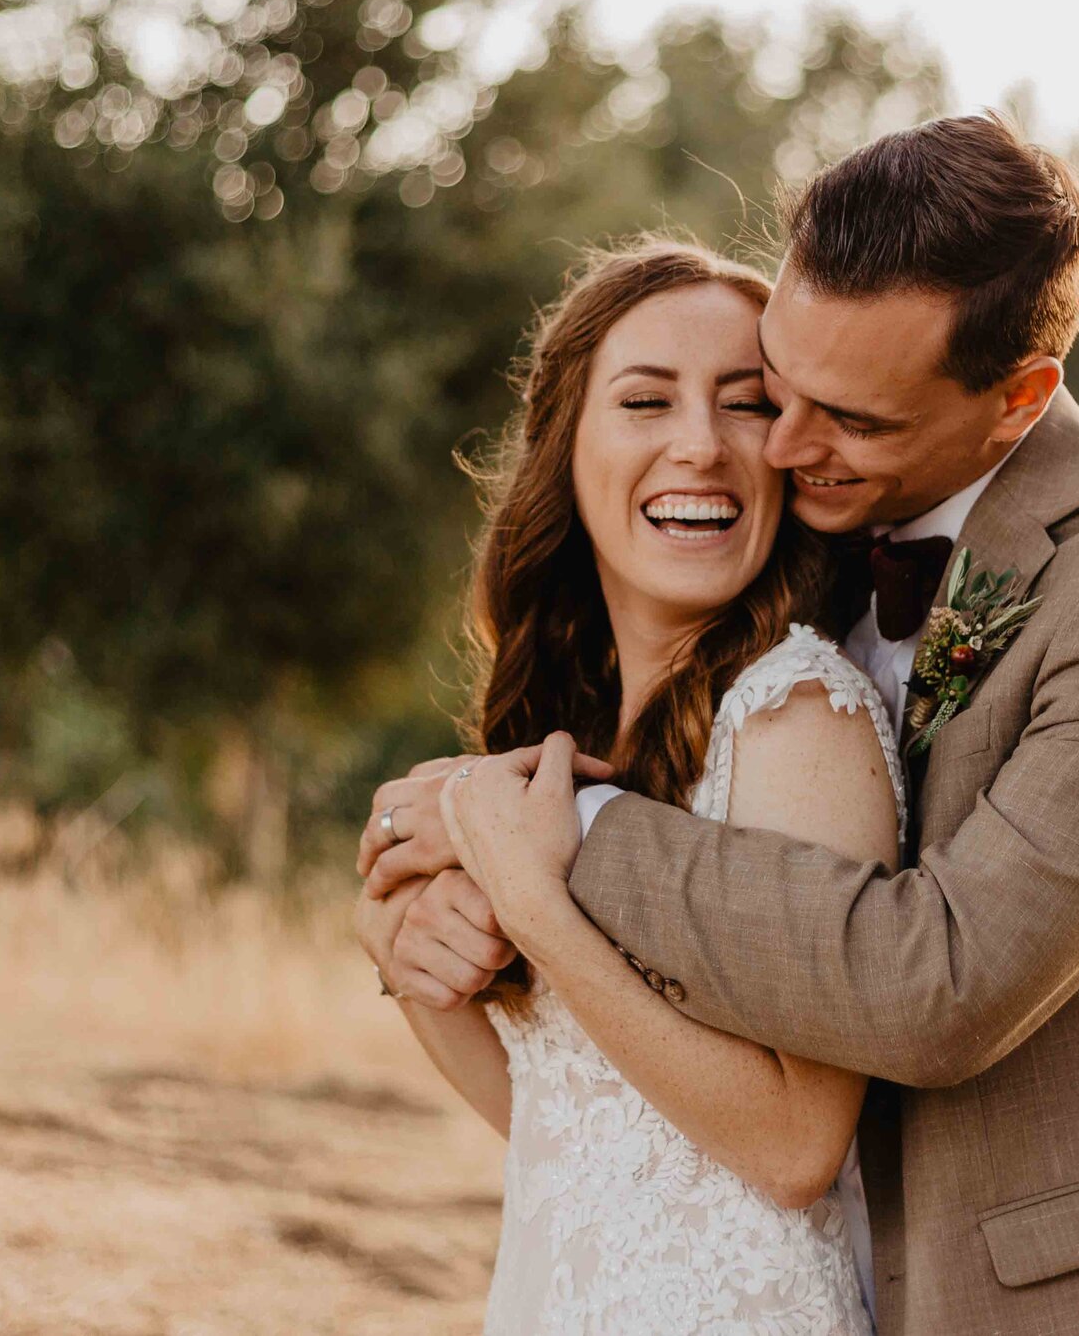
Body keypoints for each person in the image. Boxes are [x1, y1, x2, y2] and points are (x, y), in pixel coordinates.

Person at [362, 112, 1079, 1336]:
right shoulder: (786, 546)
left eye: (846, 416)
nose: (780, 446)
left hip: (1036, 1295)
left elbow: (941, 984)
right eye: (778, 387)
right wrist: (422, 927)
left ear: (1017, 400)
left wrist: (563, 836)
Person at [353, 240, 905, 1334]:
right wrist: (398, 945)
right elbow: (567, 1118)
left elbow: (799, 1145)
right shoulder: (582, 724)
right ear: (566, 447)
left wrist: (534, 908)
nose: (699, 445)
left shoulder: (799, 714)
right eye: (646, 400)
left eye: (745, 404)